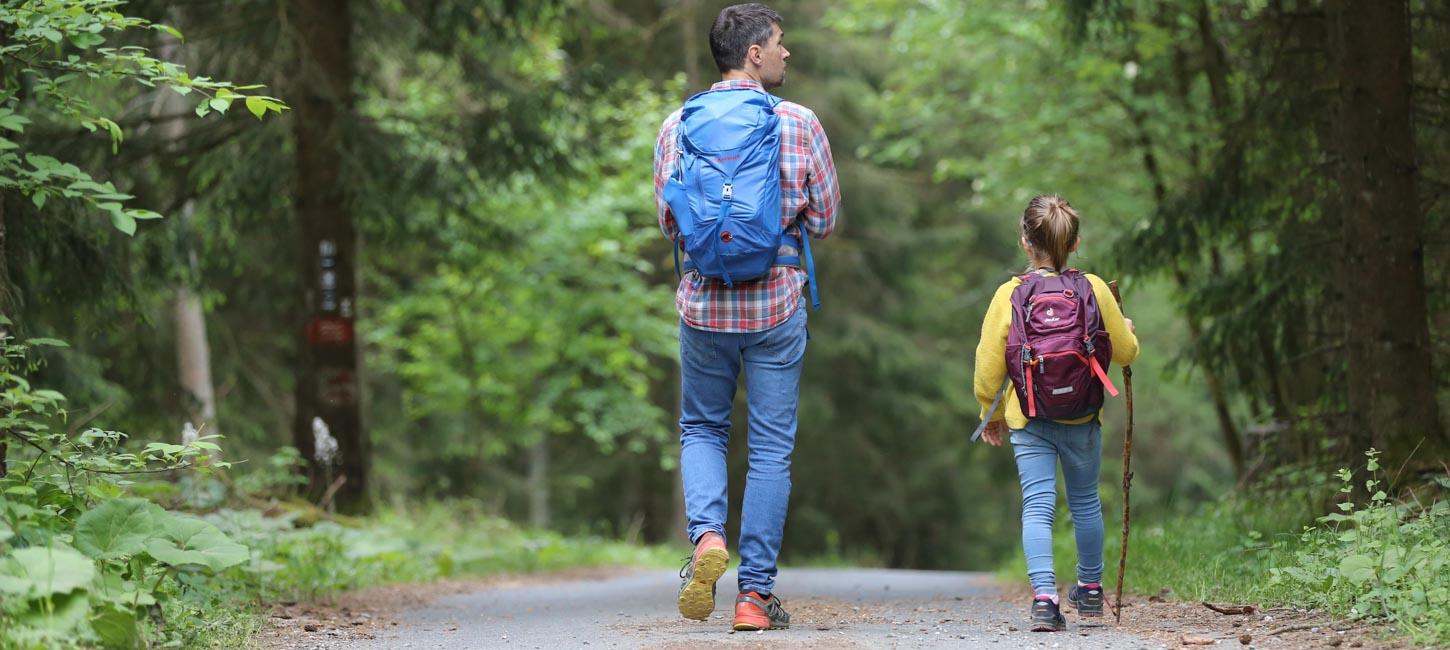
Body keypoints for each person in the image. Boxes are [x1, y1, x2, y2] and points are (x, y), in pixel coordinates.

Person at [652, 2, 839, 632]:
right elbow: (827, 218)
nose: (788, 53)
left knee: (701, 428)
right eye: (780, 43)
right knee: (769, 451)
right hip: (776, 303)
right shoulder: (798, 122)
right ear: (753, 53)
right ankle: (754, 598)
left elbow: (669, 221)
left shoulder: (677, 125)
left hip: (704, 305)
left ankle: (706, 538)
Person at [973, 195, 1139, 632]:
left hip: (1029, 419)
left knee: (1037, 506)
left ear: (1025, 243)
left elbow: (988, 367)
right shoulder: (1094, 288)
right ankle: (1089, 591)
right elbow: (1125, 352)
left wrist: (988, 414)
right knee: (1085, 503)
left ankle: (1045, 599)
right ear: (1076, 242)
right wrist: (1127, 330)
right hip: (1082, 418)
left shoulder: (1010, 294)